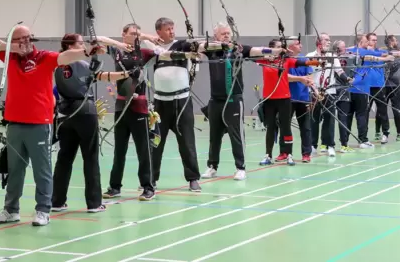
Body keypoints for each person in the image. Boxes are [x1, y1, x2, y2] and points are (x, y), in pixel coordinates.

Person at [0, 24, 100, 226]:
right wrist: (13, 47)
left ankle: (43, 209)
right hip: (15, 123)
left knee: (41, 170)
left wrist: (87, 51)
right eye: (20, 39)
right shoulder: (10, 57)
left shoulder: (44, 57)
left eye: (28, 38)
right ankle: (11, 210)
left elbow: (65, 57)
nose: (25, 42)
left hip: (39, 123)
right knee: (15, 169)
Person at [102, 23, 201, 200]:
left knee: (144, 150)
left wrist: (147, 39)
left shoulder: (144, 53)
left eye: (139, 34)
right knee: (119, 151)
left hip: (139, 109)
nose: (137, 37)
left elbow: (164, 54)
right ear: (123, 34)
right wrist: (119, 45)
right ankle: (114, 187)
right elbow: (97, 40)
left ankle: (148, 187)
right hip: (121, 108)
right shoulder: (116, 52)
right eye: (133, 34)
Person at [51, 33, 134, 212]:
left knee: (64, 158)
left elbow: (98, 75)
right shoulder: (80, 62)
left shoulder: (57, 63)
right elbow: (99, 73)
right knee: (90, 156)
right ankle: (94, 203)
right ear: (70, 46)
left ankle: (56, 201)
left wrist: (125, 74)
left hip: (65, 114)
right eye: (80, 43)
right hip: (84, 111)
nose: (84, 45)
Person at [199, 23, 285, 180]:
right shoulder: (212, 50)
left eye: (228, 33)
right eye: (222, 33)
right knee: (214, 136)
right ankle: (212, 166)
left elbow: (257, 50)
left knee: (236, 134)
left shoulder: (238, 49)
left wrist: (275, 51)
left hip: (233, 99)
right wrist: (211, 44)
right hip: (215, 100)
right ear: (215, 36)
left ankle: (240, 167)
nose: (226, 35)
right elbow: (197, 47)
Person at [141, 17, 202, 192]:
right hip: (161, 103)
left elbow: (195, 49)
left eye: (173, 28)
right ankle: (151, 179)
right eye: (167, 29)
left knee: (187, 142)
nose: (172, 31)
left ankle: (193, 179)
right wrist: (149, 38)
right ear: (158, 32)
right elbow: (138, 39)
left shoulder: (181, 46)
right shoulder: (154, 50)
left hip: (181, 102)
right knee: (156, 142)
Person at [258, 39, 321, 166]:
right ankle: (273, 154)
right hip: (273, 98)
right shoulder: (265, 60)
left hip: (293, 98)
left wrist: (319, 62)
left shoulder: (288, 60)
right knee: (274, 127)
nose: (282, 49)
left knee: (298, 127)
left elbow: (305, 63)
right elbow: (254, 53)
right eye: (279, 47)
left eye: (282, 47)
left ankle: (299, 154)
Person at [346, 34, 394, 148]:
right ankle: (362, 138)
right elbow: (346, 51)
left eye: (375, 40)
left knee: (382, 109)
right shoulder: (359, 51)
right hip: (364, 86)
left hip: (378, 85)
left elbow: (388, 54)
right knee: (364, 112)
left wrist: (395, 54)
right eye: (371, 40)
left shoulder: (377, 51)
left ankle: (385, 133)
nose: (373, 42)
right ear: (366, 41)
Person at [306, 32, 349, 157]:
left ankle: (330, 145)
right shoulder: (310, 56)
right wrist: (319, 62)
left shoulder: (332, 56)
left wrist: (347, 79)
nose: (329, 42)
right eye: (326, 40)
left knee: (329, 119)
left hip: (329, 91)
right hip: (314, 91)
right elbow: (308, 71)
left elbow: (339, 70)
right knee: (313, 119)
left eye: (329, 40)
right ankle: (313, 146)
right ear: (319, 42)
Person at [287, 40, 314, 163]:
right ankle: (287, 153)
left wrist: (316, 91)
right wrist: (300, 79)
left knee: (305, 127)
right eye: (298, 44)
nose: (301, 46)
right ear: (291, 46)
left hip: (303, 98)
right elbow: (285, 77)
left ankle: (306, 154)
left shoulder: (305, 60)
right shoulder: (285, 60)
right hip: (288, 98)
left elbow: (310, 77)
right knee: (285, 126)